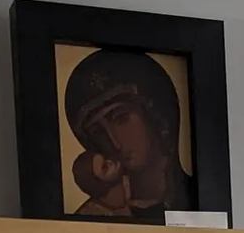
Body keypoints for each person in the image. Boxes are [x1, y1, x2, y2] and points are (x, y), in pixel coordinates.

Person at [61, 48, 196, 218]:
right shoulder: (94, 216)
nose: (115, 143)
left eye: (121, 119)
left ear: (154, 114)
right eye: (98, 132)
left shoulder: (200, 202)